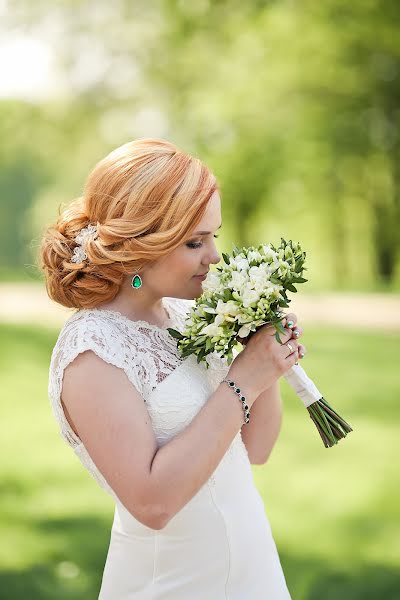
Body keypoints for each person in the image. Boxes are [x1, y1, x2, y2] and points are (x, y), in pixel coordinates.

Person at [40, 138, 306, 599]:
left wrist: (266, 362)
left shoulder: (185, 318)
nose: (215, 257)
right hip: (172, 584)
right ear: (141, 246)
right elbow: (153, 502)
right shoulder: (93, 350)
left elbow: (256, 448)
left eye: (214, 235)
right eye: (194, 241)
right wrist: (243, 380)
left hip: (252, 572)